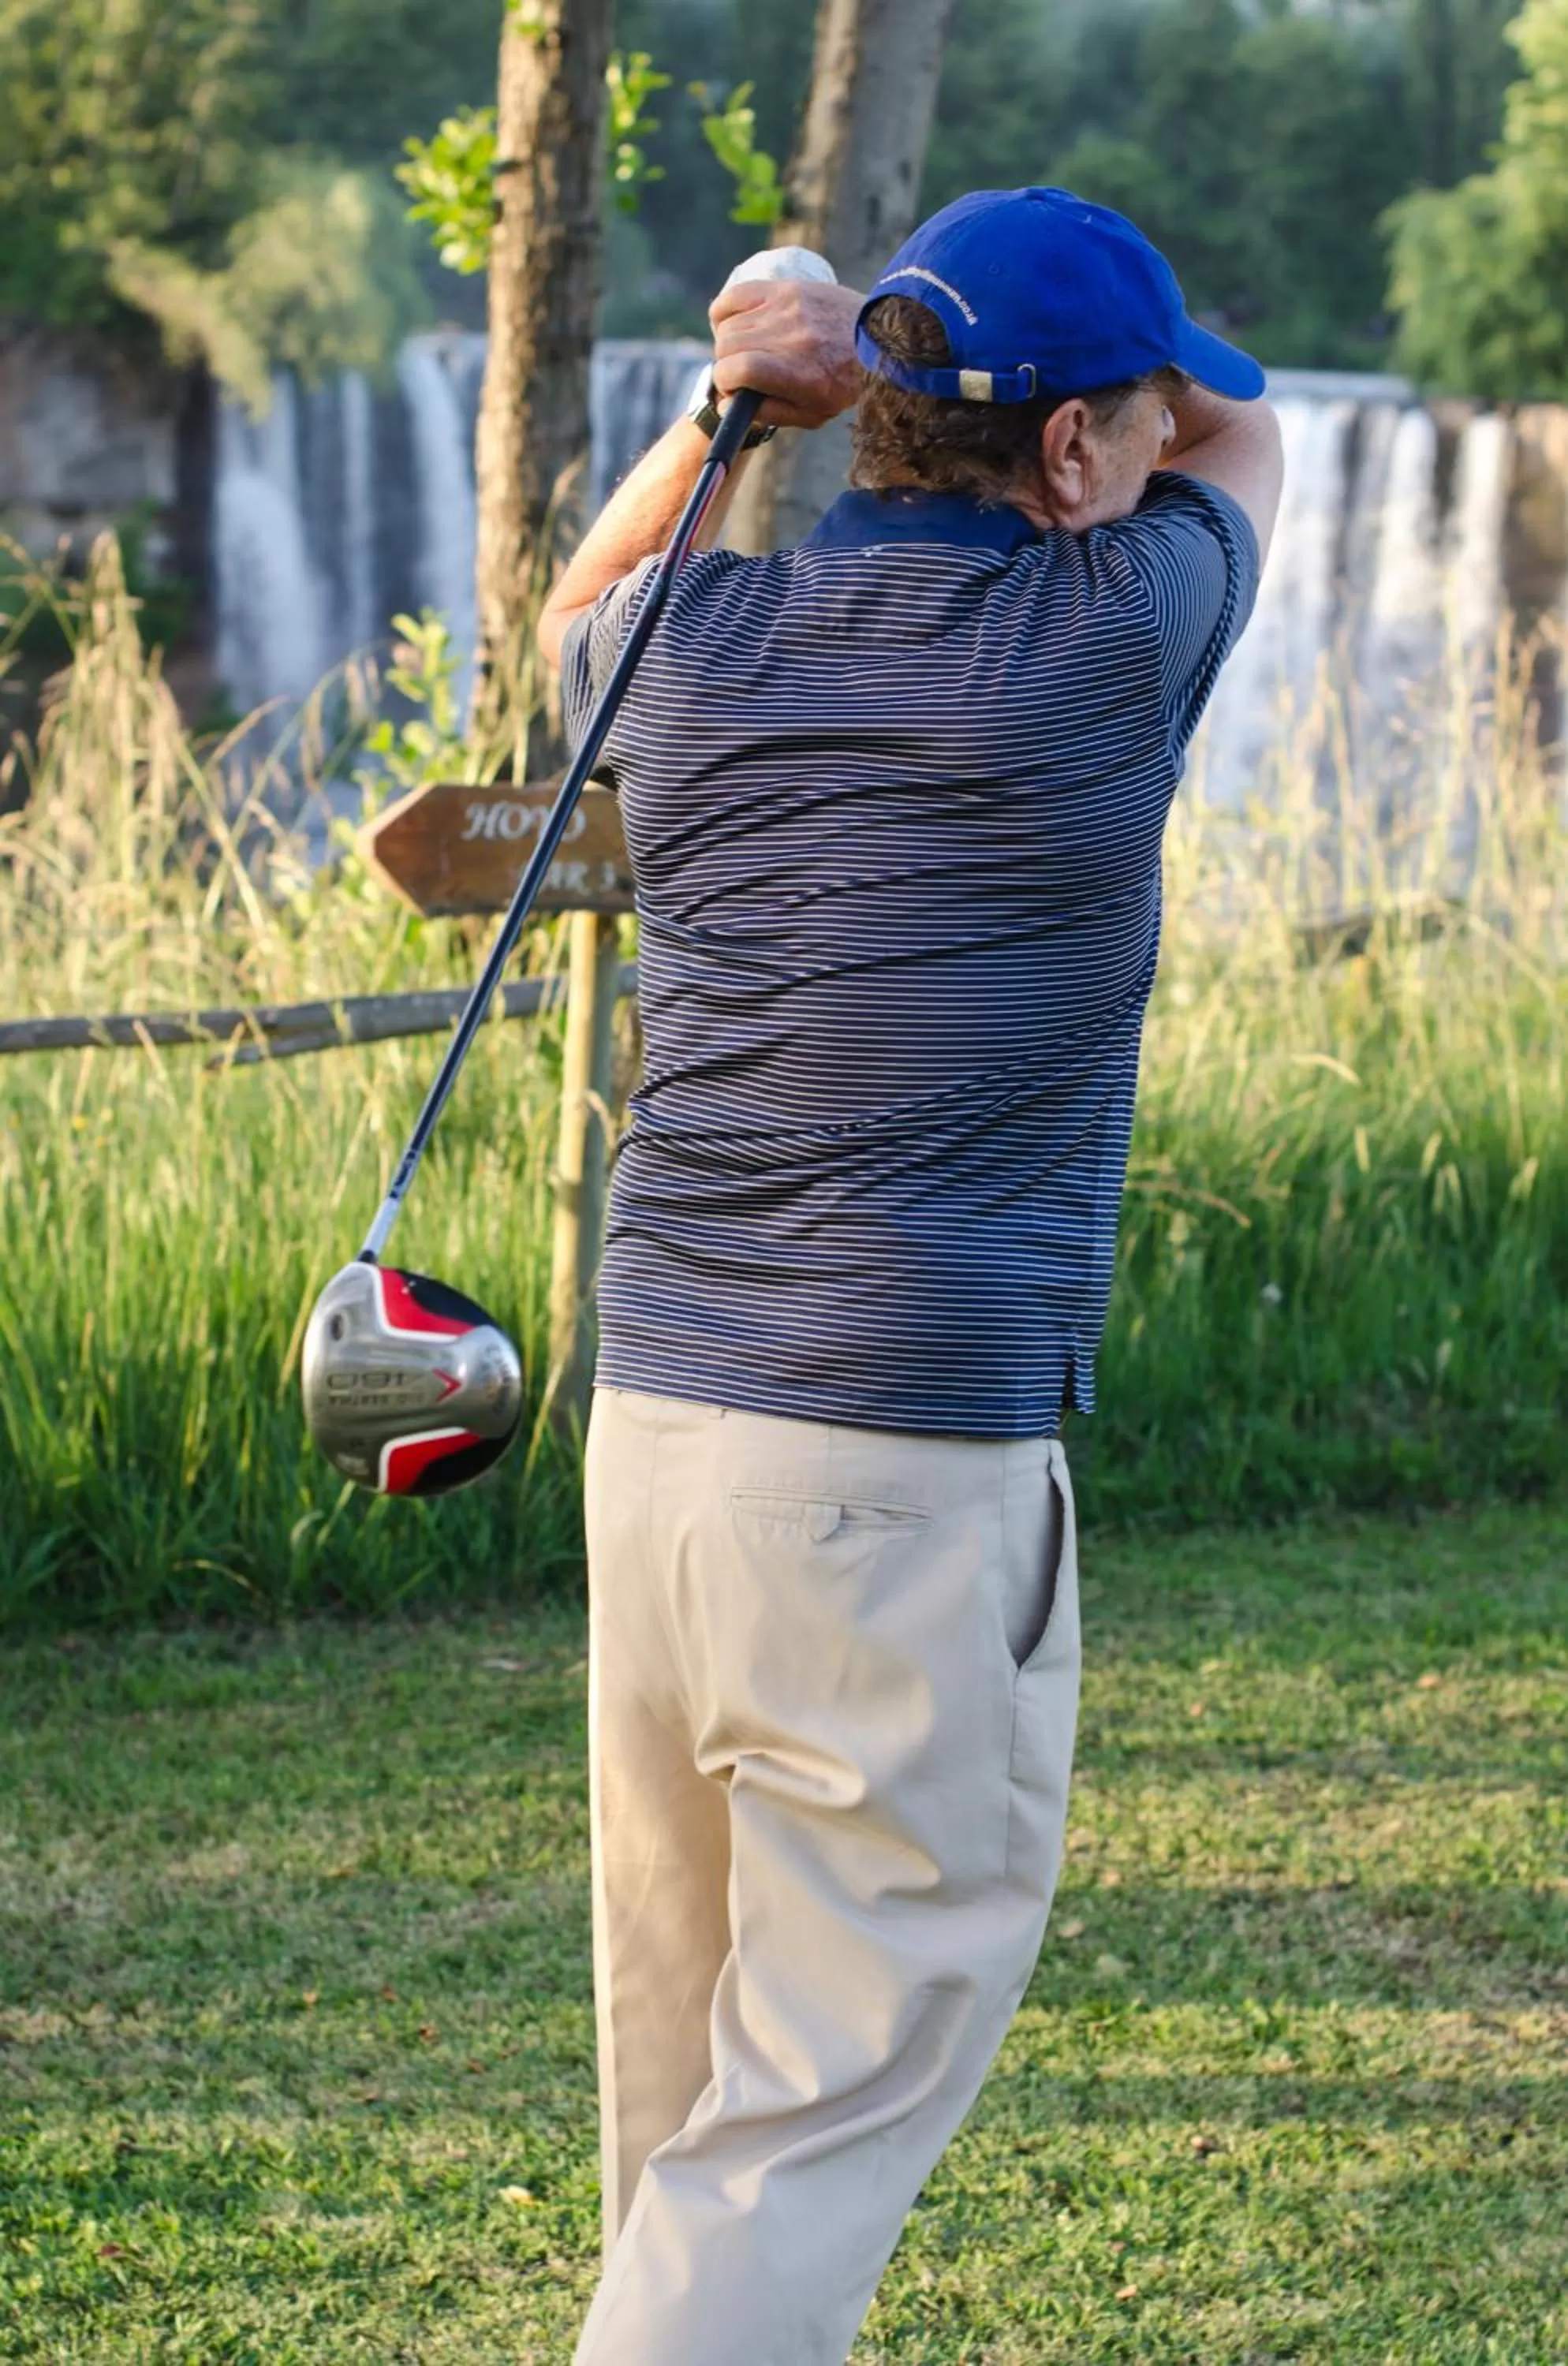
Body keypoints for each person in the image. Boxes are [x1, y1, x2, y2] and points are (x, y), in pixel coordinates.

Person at [537, 185, 1283, 2366]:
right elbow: (1260, 449)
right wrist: (951, 378)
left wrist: (754, 396)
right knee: (820, 2095)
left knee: (689, 2068)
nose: (1164, 449)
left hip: (661, 1441)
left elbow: (573, 608)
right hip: (899, 1466)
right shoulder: (1102, 641)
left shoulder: (698, 637)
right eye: (1133, 422)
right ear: (1070, 461)